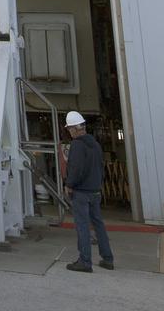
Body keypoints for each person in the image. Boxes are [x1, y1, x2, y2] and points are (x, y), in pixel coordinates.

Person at [63, 110, 115, 273]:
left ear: (74, 129)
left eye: (70, 129)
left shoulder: (77, 145)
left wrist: (69, 184)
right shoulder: (95, 144)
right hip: (95, 191)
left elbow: (76, 169)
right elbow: (101, 167)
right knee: (98, 224)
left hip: (82, 193)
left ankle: (85, 261)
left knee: (83, 226)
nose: (69, 132)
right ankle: (107, 259)